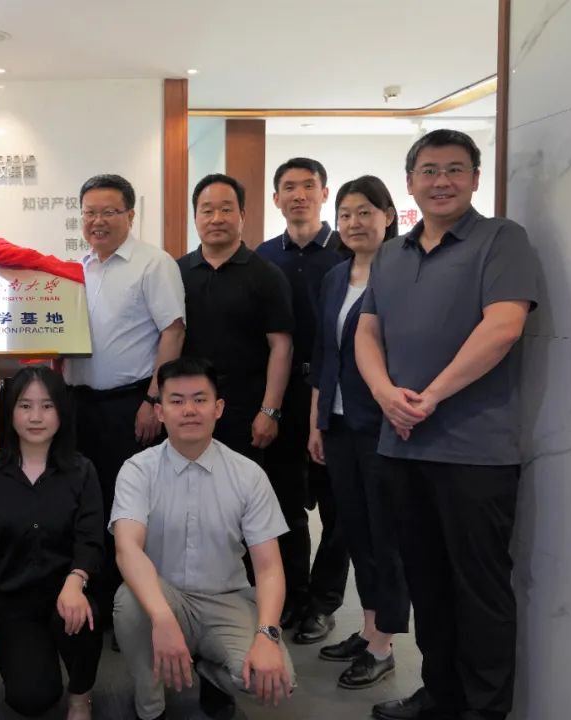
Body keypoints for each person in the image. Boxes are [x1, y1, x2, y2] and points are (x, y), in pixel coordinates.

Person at [359, 130, 539, 720]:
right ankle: (440, 695)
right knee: (426, 583)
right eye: (430, 170)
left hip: (476, 452)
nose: (442, 181)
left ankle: (484, 710)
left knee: (480, 590)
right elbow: (368, 331)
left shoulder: (502, 240)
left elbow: (504, 326)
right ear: (410, 182)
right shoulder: (391, 253)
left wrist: (430, 397)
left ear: (476, 179)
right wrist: (385, 393)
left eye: (456, 169)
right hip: (402, 446)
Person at [112, 357, 295, 720]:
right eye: (176, 401)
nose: (189, 410)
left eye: (200, 399)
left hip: (227, 601)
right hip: (162, 598)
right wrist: (163, 619)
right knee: (129, 603)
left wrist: (267, 634)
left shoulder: (248, 475)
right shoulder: (138, 471)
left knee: (277, 682)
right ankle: (150, 706)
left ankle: (209, 669)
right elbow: (127, 548)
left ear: (218, 408)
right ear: (160, 411)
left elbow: (269, 567)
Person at [63, 173, 186, 623]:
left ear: (130, 215)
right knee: (87, 502)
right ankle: (92, 598)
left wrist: (154, 400)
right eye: (90, 213)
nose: (97, 221)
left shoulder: (153, 264)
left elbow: (173, 330)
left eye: (109, 212)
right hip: (78, 404)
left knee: (129, 507)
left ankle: (130, 608)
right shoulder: (77, 268)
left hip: (130, 405)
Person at [306, 176, 411, 690]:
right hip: (339, 423)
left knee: (385, 536)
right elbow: (323, 354)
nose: (354, 223)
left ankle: (384, 644)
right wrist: (316, 421)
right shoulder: (335, 277)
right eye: (345, 214)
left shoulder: (404, 273)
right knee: (354, 529)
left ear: (388, 216)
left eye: (365, 212)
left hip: (383, 426)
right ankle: (369, 629)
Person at [0, 366, 103, 719]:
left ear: (61, 412)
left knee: (84, 617)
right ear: (10, 412)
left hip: (67, 594)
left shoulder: (82, 471)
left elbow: (90, 540)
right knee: (31, 699)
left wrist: (76, 581)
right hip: (13, 602)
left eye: (47, 406)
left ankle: (80, 696)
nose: (36, 417)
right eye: (25, 406)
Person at [255, 157, 349, 644]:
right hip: (284, 394)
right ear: (275, 199)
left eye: (308, 186)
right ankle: (292, 594)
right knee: (284, 501)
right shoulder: (264, 256)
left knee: (338, 508)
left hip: (337, 394)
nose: (298, 195)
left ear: (324, 193)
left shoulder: (346, 252)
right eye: (288, 187)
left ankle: (324, 602)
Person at [178, 173, 293, 464]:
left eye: (226, 209)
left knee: (240, 487)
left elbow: (281, 346)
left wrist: (269, 411)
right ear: (195, 217)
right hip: (188, 408)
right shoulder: (176, 272)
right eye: (207, 210)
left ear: (242, 215)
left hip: (245, 409)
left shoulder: (266, 274)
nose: (217, 218)